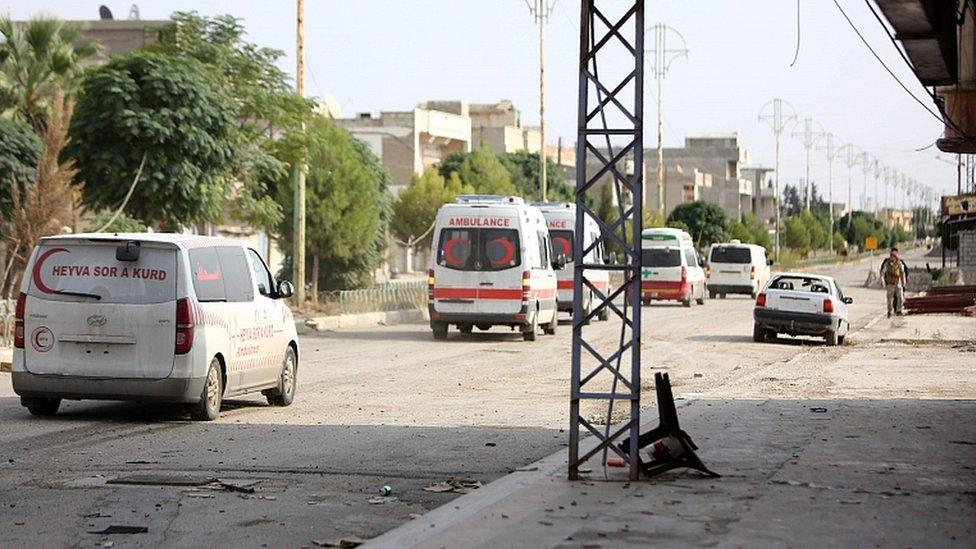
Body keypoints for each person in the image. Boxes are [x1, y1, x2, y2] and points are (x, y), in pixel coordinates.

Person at [879, 247, 908, 317]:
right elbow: (882, 273)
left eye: (894, 256)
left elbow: (902, 272)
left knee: (901, 297)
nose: (893, 257)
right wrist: (882, 281)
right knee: (890, 299)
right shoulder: (887, 263)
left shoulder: (899, 263)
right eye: (892, 255)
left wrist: (903, 282)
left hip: (897, 283)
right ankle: (890, 311)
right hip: (890, 284)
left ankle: (899, 310)